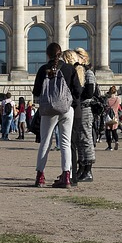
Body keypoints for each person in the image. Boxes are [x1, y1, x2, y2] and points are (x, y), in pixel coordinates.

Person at [32, 43, 82, 188]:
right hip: (66, 109)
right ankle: (66, 176)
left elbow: (36, 91)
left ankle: (40, 176)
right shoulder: (69, 69)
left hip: (48, 110)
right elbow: (78, 90)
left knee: (45, 143)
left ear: (47, 54)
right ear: (60, 54)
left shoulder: (43, 70)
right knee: (65, 143)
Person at [72, 48, 98, 183]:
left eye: (78, 57)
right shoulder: (78, 72)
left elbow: (89, 93)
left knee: (86, 139)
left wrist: (77, 93)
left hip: (86, 109)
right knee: (79, 140)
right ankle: (81, 167)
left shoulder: (88, 73)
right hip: (79, 108)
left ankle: (88, 170)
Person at [103, 87, 121, 151]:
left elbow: (105, 108)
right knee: (114, 131)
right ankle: (116, 141)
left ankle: (109, 146)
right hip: (115, 116)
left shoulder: (108, 100)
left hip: (108, 117)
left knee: (108, 132)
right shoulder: (118, 99)